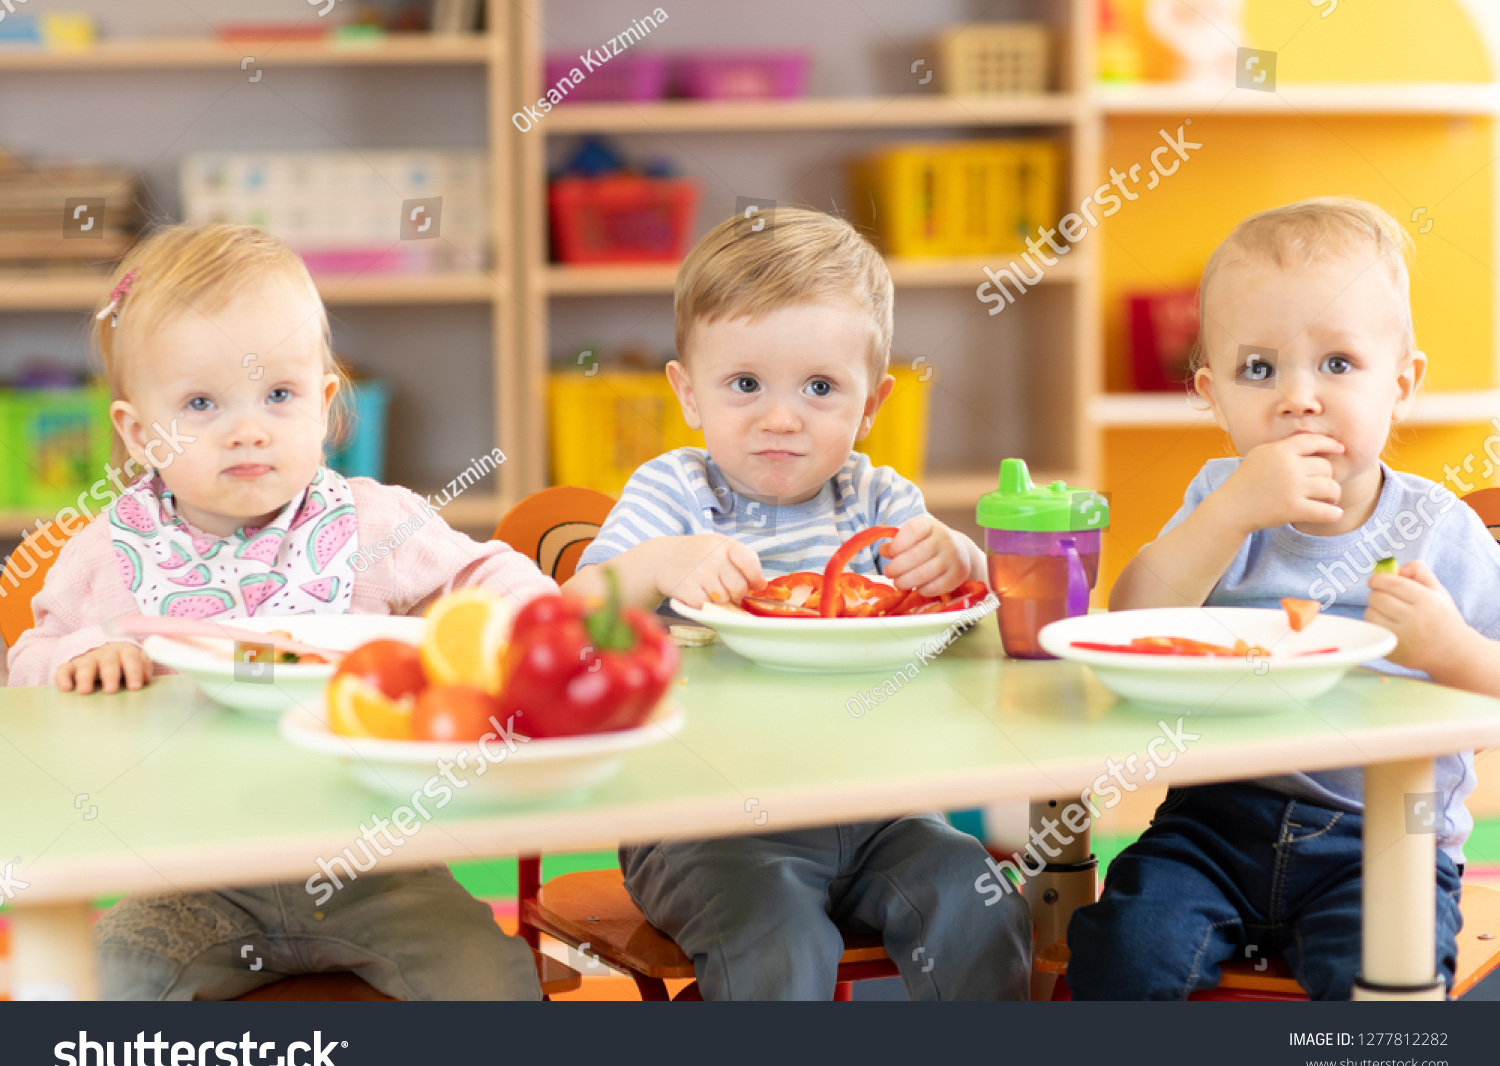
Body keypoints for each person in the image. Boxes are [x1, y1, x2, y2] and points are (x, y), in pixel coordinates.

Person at [8, 223, 555, 1000]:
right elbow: (28, 662)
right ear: (138, 431)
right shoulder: (106, 552)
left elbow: (492, 575)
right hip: (186, 878)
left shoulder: (372, 523)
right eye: (201, 403)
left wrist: (527, 624)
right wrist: (79, 655)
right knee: (96, 985)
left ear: (325, 404)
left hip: (378, 865)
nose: (248, 428)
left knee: (491, 980)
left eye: (279, 394)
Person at [564, 207, 1031, 1000]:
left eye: (820, 387)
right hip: (702, 824)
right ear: (687, 392)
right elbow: (573, 618)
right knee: (779, 937)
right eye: (745, 384)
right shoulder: (673, 492)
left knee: (979, 901)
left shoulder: (879, 496)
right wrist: (657, 563)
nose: (781, 416)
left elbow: (991, 630)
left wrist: (963, 563)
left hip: (880, 809)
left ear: (873, 404)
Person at [1068, 196, 1500, 999]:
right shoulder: (1217, 499)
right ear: (1214, 394)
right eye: (1258, 369)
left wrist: (1449, 647)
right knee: (1123, 949)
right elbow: (1124, 623)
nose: (1297, 397)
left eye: (1337, 364)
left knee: (1381, 983)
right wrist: (1229, 512)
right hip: (1212, 824)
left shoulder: (1438, 529)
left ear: (1401, 385)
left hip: (1385, 843)